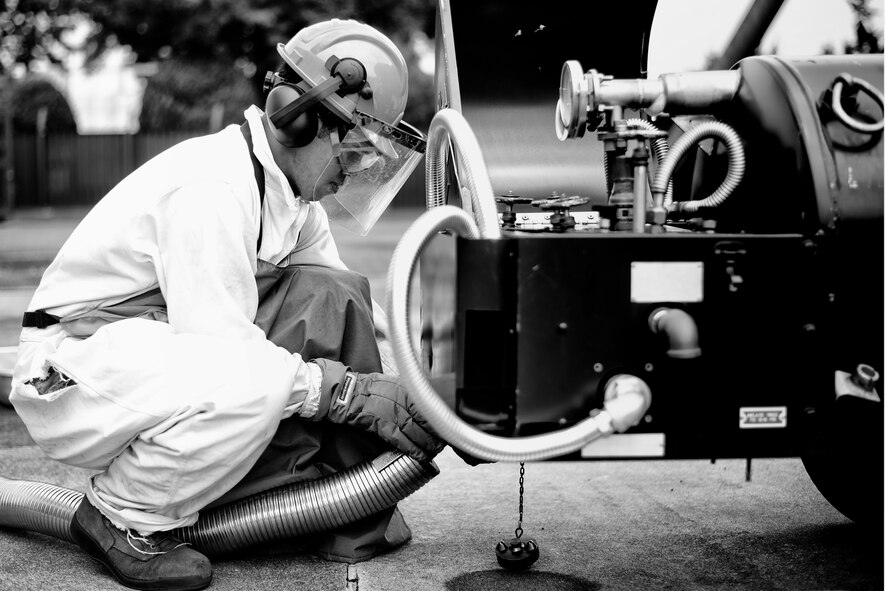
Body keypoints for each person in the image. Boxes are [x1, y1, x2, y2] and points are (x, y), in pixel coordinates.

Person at [9, 19, 441, 591]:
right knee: (253, 379)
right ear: (299, 116)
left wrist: (427, 390)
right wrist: (344, 392)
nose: (359, 169)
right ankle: (125, 514)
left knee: (334, 296)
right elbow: (225, 353)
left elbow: (347, 300)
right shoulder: (212, 190)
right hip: (74, 370)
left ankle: (296, 485)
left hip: (151, 351)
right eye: (358, 149)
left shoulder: (289, 200)